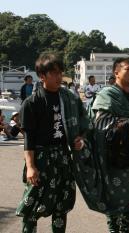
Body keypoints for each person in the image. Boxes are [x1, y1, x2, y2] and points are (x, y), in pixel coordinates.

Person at [16, 53, 89, 233]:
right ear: (42, 76)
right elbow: (29, 138)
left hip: (63, 157)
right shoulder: (32, 103)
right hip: (41, 158)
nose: (59, 77)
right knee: (32, 206)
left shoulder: (69, 98)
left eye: (60, 73)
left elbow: (83, 120)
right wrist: (31, 166)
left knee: (61, 206)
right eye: (54, 73)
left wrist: (80, 138)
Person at [80, 56, 129, 233]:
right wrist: (127, 125)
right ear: (116, 72)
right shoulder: (107, 94)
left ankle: (125, 229)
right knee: (113, 193)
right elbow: (99, 124)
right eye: (128, 69)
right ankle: (113, 230)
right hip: (112, 154)